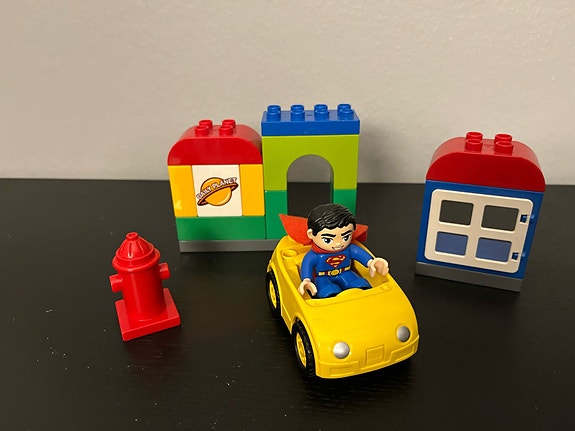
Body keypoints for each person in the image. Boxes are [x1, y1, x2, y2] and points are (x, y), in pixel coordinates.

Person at [298, 203, 389, 298]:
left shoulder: (349, 249)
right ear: (311, 234)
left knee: (359, 284)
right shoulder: (313, 256)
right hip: (323, 277)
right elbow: (307, 266)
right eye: (328, 240)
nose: (338, 244)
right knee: (327, 290)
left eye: (345, 237)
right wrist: (307, 280)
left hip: (346, 273)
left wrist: (371, 262)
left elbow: (359, 253)